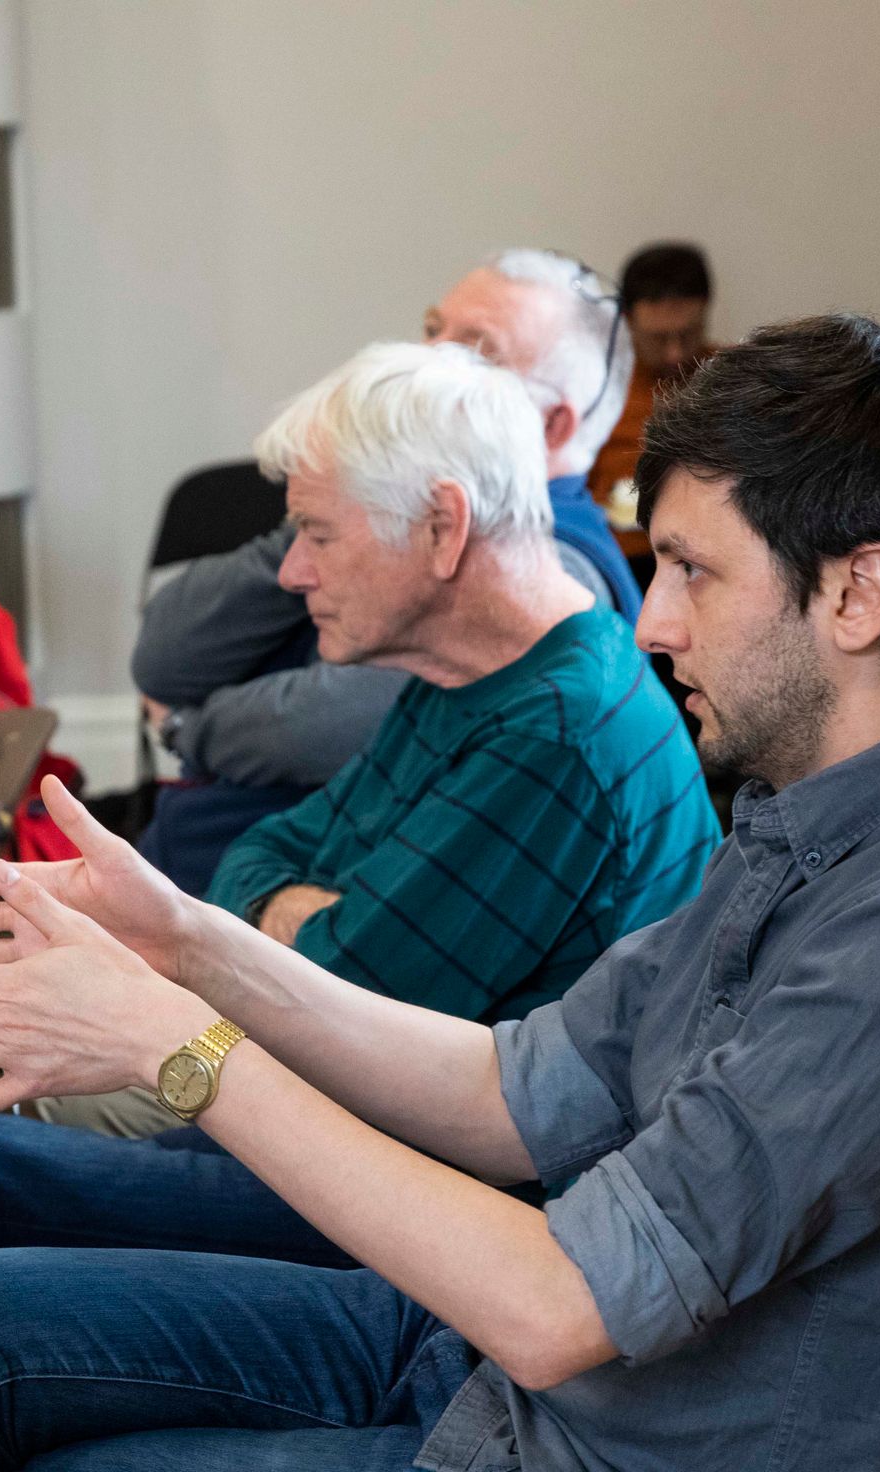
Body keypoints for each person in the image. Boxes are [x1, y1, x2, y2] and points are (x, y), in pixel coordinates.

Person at [0, 314, 880, 1471]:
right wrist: (198, 946)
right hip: (496, 1367)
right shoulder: (822, 809)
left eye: (692, 571)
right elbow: (517, 1092)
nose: (652, 620)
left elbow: (558, 1310)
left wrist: (187, 1052)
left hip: (576, 1419)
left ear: (859, 591)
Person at [35, 341, 716, 1138]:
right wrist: (299, 915)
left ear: (442, 527)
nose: (292, 572)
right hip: (321, 1090)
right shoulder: (479, 666)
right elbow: (266, 849)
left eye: (319, 535)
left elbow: (331, 1010)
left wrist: (302, 928)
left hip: (408, 1168)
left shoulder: (556, 733)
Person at [136, 248, 643, 893]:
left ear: (551, 424)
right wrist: (319, 525)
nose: (428, 360)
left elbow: (317, 725)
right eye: (433, 330)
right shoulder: (384, 508)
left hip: (278, 916)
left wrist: (187, 726)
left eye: (474, 352)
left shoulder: (551, 572)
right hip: (212, 878)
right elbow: (163, 654)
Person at [586, 241, 718, 504]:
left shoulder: (737, 378)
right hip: (623, 542)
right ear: (627, 320)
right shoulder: (593, 386)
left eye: (689, 334)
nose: (675, 353)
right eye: (657, 339)